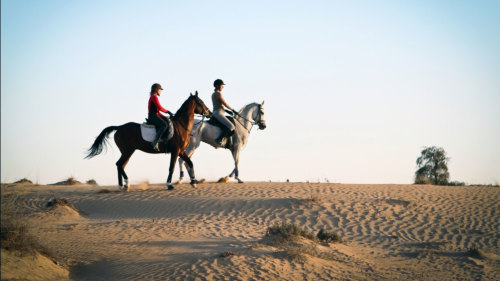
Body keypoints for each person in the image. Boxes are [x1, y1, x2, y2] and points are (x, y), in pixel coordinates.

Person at [211, 79, 237, 146]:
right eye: (222, 85)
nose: (223, 87)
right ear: (217, 86)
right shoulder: (218, 94)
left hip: (217, 112)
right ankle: (219, 139)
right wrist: (233, 110)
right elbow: (224, 103)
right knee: (231, 126)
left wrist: (227, 111)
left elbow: (219, 105)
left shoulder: (214, 94)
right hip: (218, 113)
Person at [148, 83, 173, 151]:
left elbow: (158, 111)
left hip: (155, 115)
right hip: (153, 116)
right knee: (164, 125)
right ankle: (155, 142)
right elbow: (159, 108)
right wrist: (168, 111)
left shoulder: (153, 96)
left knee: (166, 121)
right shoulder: (154, 97)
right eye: (160, 89)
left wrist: (166, 116)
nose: (161, 91)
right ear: (156, 90)